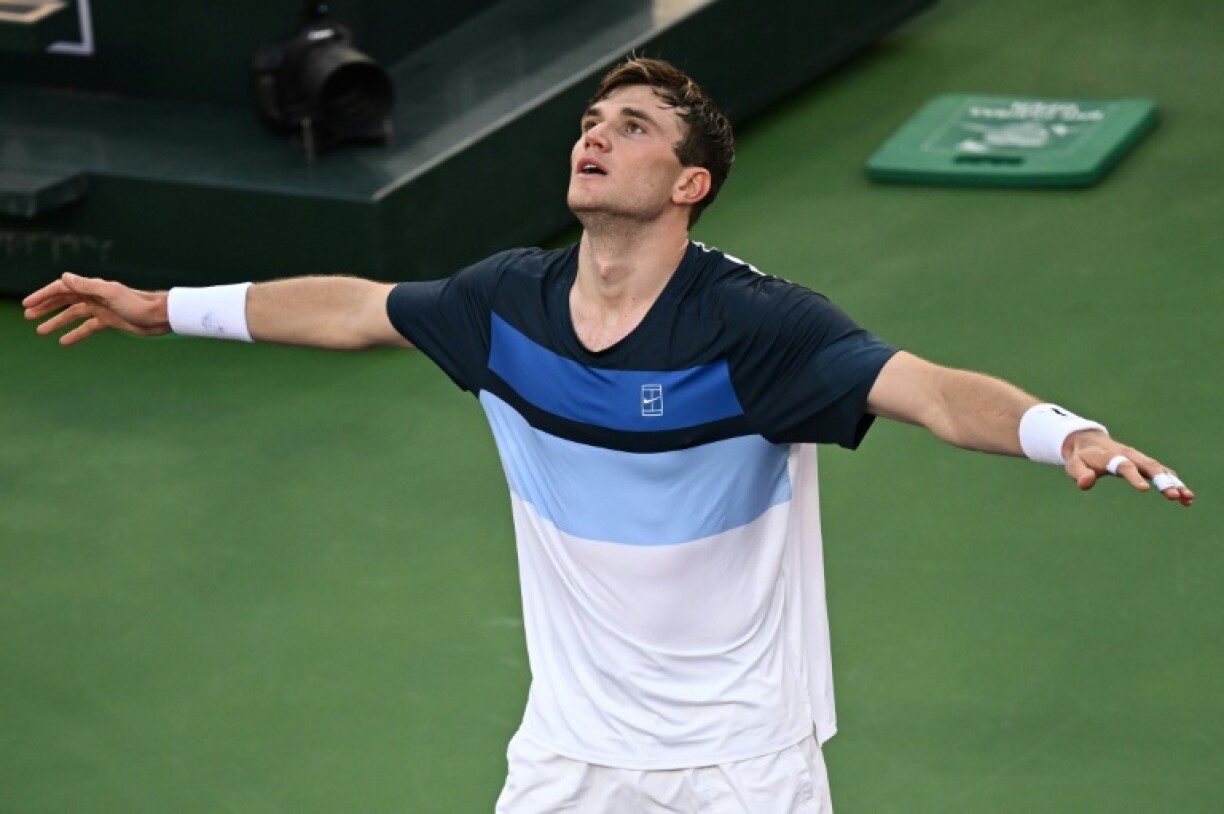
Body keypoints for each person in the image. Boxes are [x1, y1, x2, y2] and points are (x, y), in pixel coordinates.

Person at [22, 57, 1192, 813]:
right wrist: (160, 307)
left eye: (630, 127)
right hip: (570, 760)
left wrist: (1061, 429)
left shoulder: (757, 328)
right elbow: (352, 308)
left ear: (689, 184)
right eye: (590, 121)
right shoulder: (503, 305)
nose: (594, 136)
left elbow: (931, 391)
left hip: (743, 764)